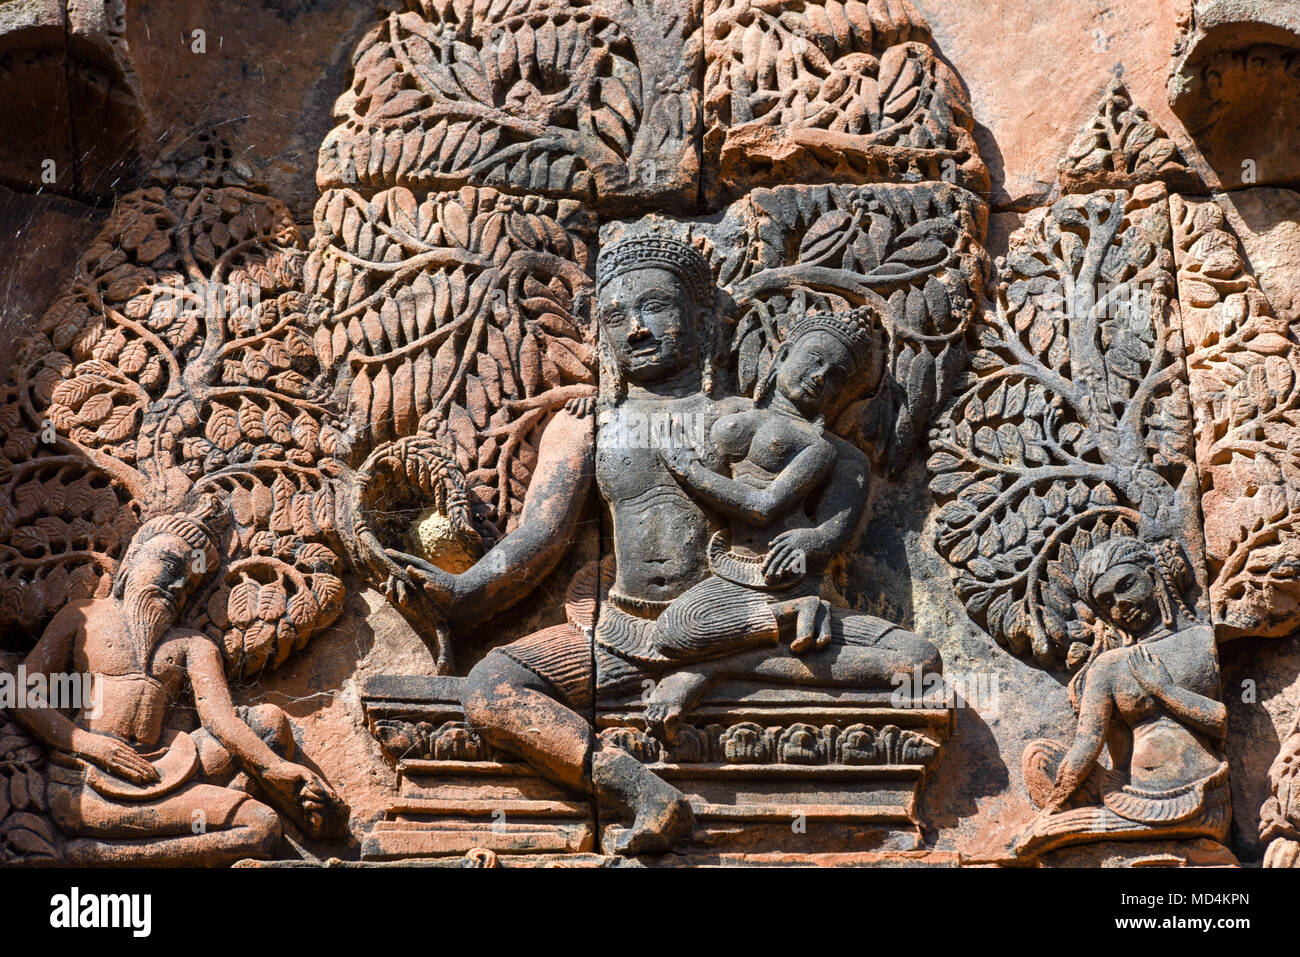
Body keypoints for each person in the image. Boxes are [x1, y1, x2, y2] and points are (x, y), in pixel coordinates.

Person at [394, 235, 941, 854]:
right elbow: (540, 538)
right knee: (490, 691)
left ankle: (719, 666)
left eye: (657, 308)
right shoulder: (585, 426)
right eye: (617, 316)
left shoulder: (740, 422)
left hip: (730, 618)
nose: (637, 329)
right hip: (618, 631)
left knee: (914, 668)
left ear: (703, 320)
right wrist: (461, 591)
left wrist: (805, 575)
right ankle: (639, 789)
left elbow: (780, 533)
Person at [12, 510, 344, 865]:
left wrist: (278, 768)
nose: (176, 587)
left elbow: (222, 722)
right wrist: (88, 744)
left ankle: (159, 833)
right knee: (260, 828)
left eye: (188, 584)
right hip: (88, 783)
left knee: (266, 732)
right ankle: (88, 855)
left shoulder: (192, 645)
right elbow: (17, 692)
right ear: (130, 564)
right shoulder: (85, 616)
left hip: (166, 768)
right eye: (170, 567)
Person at [1013, 536, 1231, 858]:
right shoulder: (1110, 666)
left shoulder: (1200, 641)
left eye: (1126, 585)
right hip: (1132, 794)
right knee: (1039, 756)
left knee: (1055, 834)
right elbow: (1088, 745)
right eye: (1107, 601)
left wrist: (1163, 690)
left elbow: (1219, 722)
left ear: (1153, 577)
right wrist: (1055, 803)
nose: (1121, 605)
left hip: (1201, 794)